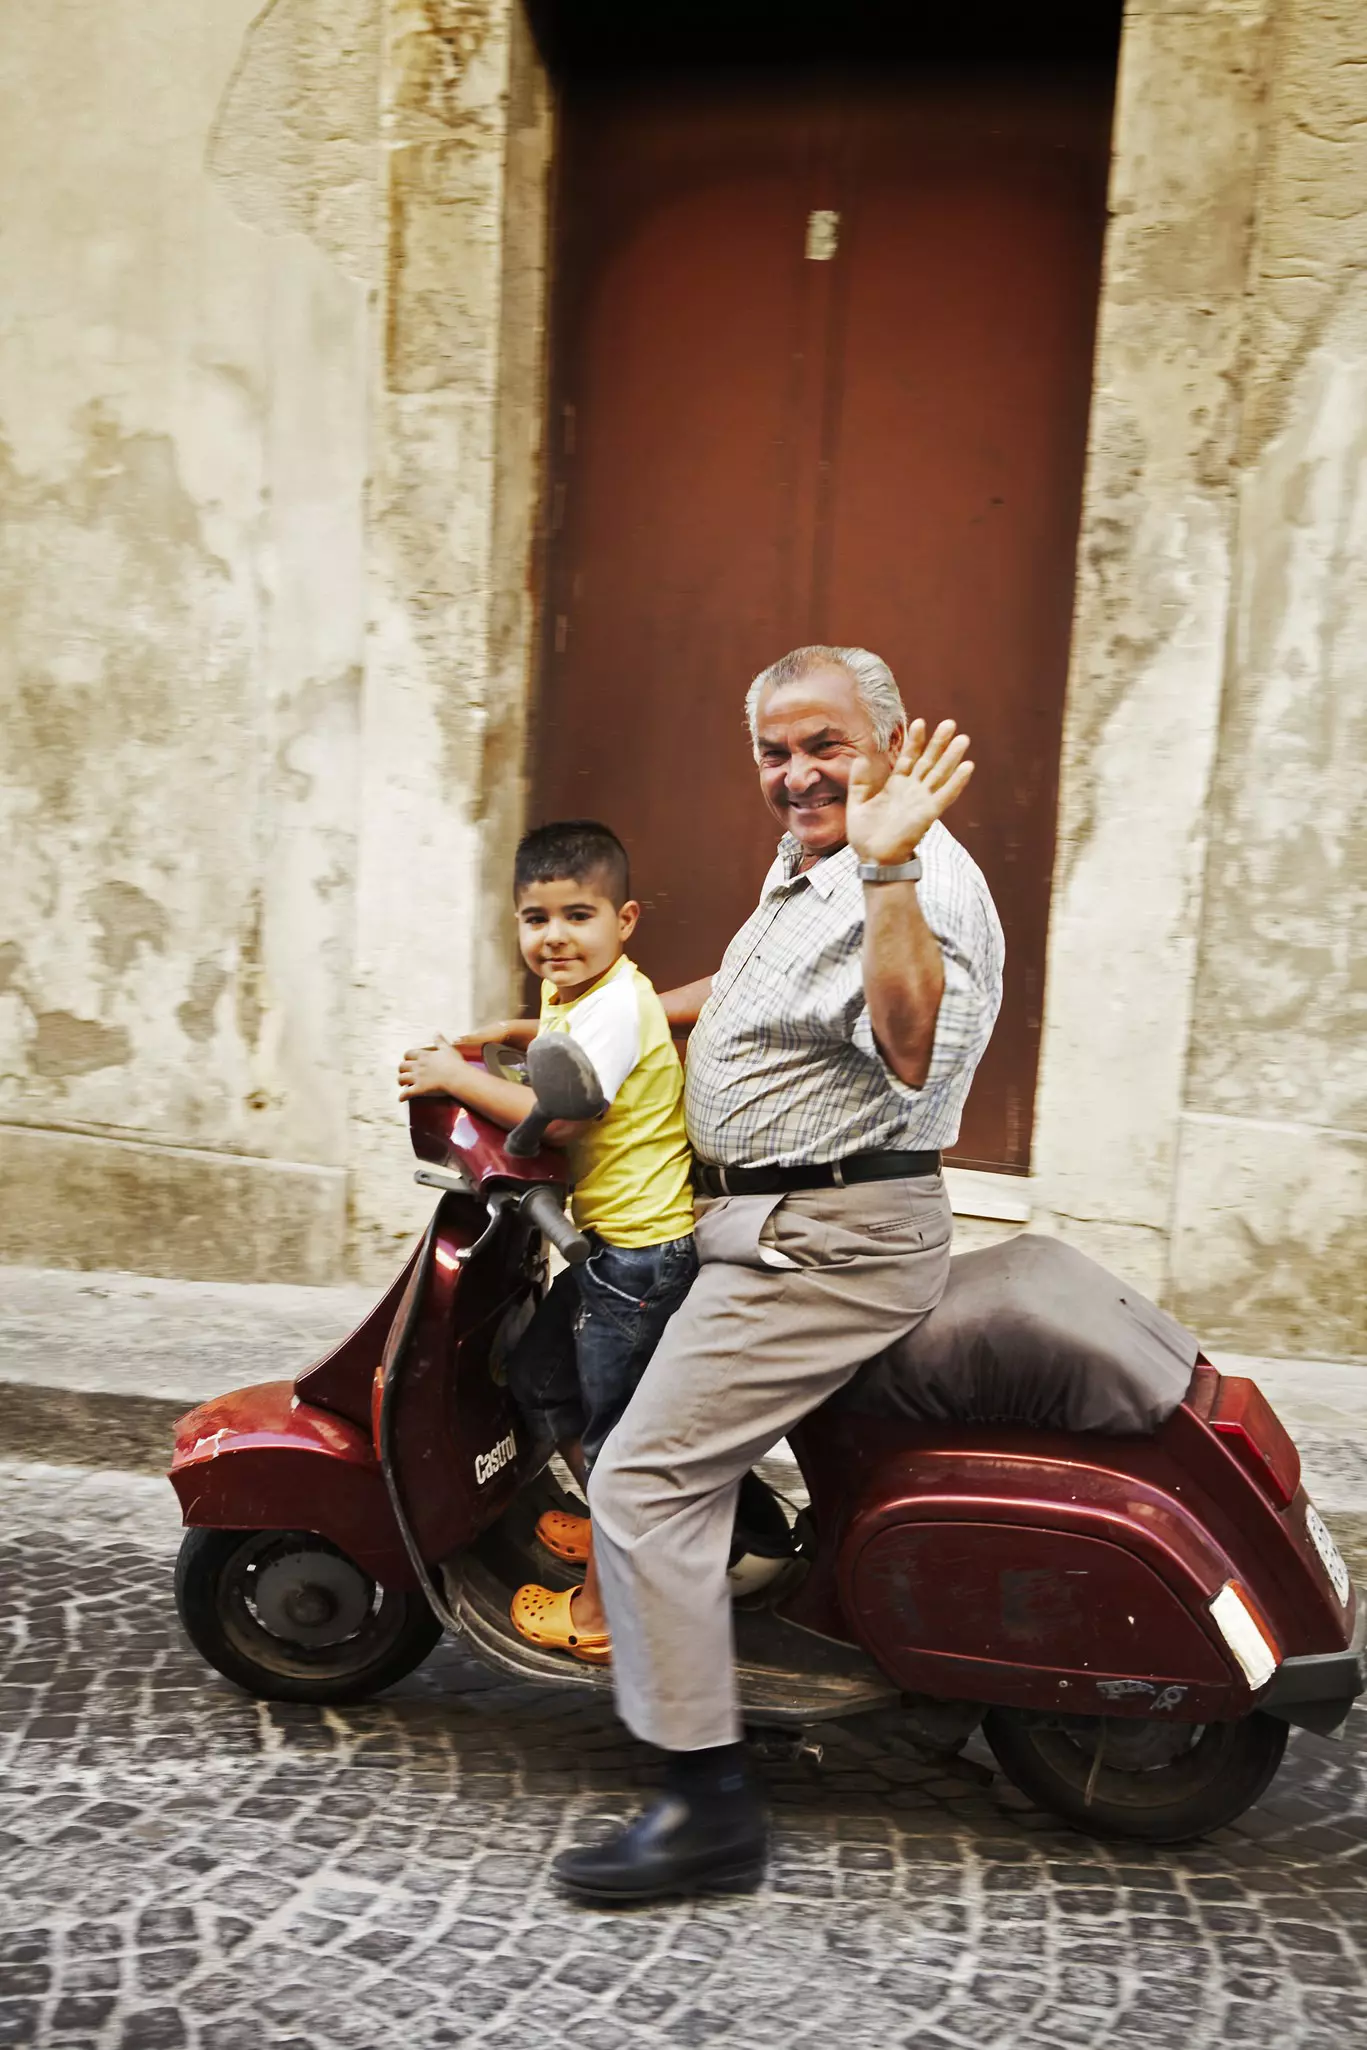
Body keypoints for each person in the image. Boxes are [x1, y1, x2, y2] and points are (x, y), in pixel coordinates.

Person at [553, 645, 1005, 1904]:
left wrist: (889, 865)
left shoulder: (909, 875)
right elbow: (753, 994)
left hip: (825, 1241)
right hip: (766, 1221)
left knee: (641, 1477)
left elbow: (908, 1046)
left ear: (891, 744)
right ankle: (722, 1626)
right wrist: (590, 1022)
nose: (796, 772)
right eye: (774, 750)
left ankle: (704, 1808)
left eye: (825, 745)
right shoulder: (812, 855)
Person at [398, 819, 697, 1664]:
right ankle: (612, 1524)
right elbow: (567, 1049)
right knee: (536, 1374)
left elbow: (558, 1118)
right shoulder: (578, 991)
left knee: (614, 1441)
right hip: (608, 1248)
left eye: (578, 916)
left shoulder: (617, 1003)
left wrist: (454, 1078)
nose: (555, 937)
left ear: (624, 921)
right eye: (537, 919)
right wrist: (513, 1032)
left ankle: (603, 1614)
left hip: (637, 1257)